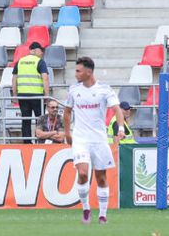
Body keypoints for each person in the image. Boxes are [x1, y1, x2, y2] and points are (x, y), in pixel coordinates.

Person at [63, 56, 124, 225]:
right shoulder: (74, 90)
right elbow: (67, 113)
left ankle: (103, 215)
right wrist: (68, 133)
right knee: (82, 173)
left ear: (88, 72)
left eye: (78, 71)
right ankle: (86, 209)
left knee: (101, 177)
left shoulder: (104, 89)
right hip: (81, 138)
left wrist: (120, 128)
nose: (75, 74)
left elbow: (117, 110)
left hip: (98, 139)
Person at [13, 42, 50, 143]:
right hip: (37, 96)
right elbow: (45, 78)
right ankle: (40, 141)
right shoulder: (39, 62)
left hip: (23, 96)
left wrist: (15, 95)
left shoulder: (20, 61)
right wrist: (47, 95)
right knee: (40, 120)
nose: (42, 52)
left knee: (25, 120)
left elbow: (14, 79)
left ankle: (27, 143)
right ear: (33, 50)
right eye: (40, 50)